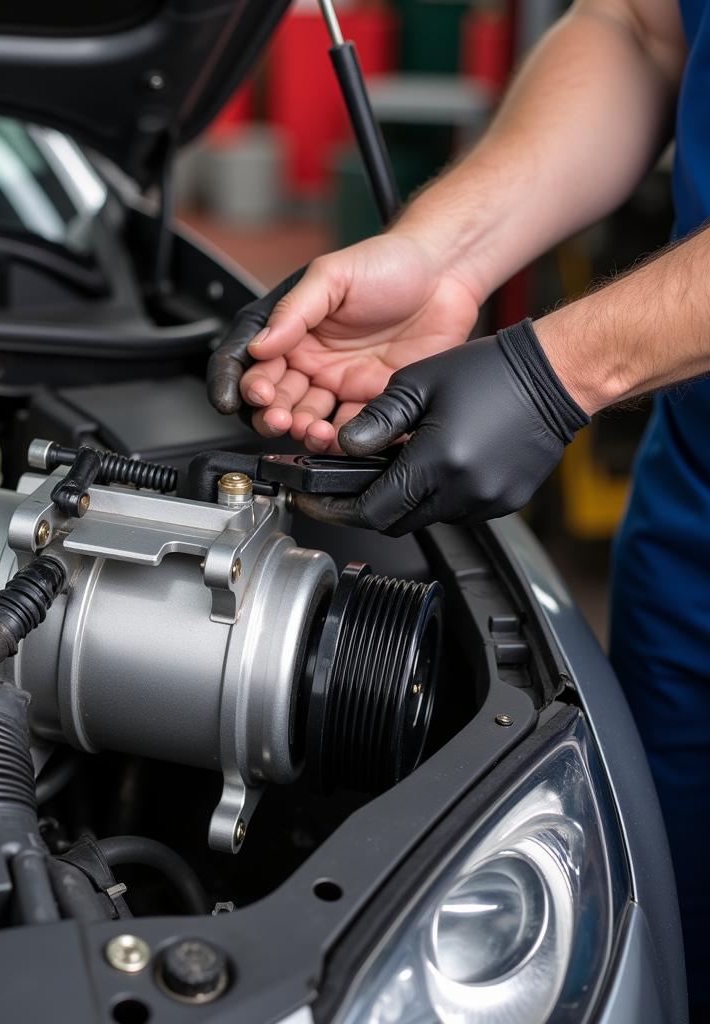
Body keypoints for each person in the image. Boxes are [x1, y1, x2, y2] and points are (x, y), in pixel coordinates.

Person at [207, 0, 710, 1011]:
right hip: (693, 523)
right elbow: (642, 26)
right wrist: (440, 259)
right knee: (661, 929)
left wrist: (557, 368)